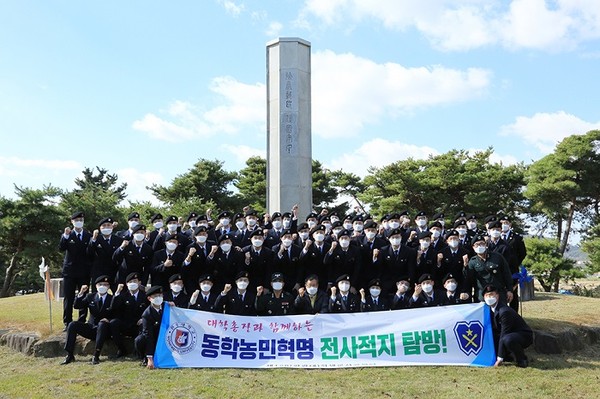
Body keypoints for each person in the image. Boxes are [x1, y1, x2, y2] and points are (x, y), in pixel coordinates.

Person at [61, 275, 113, 365]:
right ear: (96, 286)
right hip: (91, 327)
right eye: (100, 284)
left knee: (102, 324)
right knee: (72, 325)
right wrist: (81, 293)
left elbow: (118, 313)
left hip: (104, 330)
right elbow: (77, 305)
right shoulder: (90, 297)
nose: (103, 286)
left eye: (105, 285)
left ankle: (96, 355)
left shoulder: (112, 299)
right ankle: (69, 354)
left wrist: (109, 319)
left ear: (108, 287)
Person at [483, 285, 533, 368]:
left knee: (507, 339)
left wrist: (500, 358)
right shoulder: (490, 309)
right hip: (509, 334)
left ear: (497, 296)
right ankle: (507, 356)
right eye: (487, 295)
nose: (489, 297)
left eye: (492, 294)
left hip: (522, 335)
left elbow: (504, 333)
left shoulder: (504, 311)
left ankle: (522, 359)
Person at [59, 211, 93, 329]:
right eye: (76, 220)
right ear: (72, 222)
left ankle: (82, 320)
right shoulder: (68, 235)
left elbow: (91, 252)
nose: (79, 222)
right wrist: (66, 236)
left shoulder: (88, 236)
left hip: (84, 272)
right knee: (69, 297)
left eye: (81, 220)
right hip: (70, 271)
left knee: (84, 296)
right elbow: (61, 248)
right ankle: (67, 322)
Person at [464, 235, 514, 304]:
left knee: (501, 313)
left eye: (482, 243)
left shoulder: (497, 257)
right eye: (477, 245)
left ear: (486, 245)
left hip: (499, 293)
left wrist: (509, 290)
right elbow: (469, 279)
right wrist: (465, 267)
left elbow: (507, 274)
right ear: (473, 247)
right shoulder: (472, 262)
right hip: (482, 295)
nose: (480, 246)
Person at [109, 272, 147, 358]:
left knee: (144, 324)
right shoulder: (122, 296)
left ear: (139, 283)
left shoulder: (145, 296)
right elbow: (113, 307)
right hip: (126, 324)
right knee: (113, 323)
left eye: (135, 281)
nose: (132, 283)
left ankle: (138, 350)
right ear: (126, 284)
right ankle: (121, 349)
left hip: (138, 325)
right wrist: (117, 292)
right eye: (130, 282)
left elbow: (149, 310)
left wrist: (143, 319)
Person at [88, 217, 123, 293]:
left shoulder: (118, 240)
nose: (106, 227)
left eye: (108, 225)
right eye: (104, 225)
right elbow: (89, 253)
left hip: (114, 272)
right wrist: (93, 239)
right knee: (97, 296)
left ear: (112, 227)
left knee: (117, 295)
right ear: (100, 228)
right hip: (98, 272)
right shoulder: (95, 239)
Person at [135, 285, 164, 369]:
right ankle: (144, 358)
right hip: (154, 338)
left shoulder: (167, 307)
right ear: (149, 299)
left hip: (165, 337)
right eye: (155, 296)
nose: (158, 298)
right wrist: (150, 358)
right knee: (139, 340)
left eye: (160, 295)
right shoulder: (147, 314)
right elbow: (149, 336)